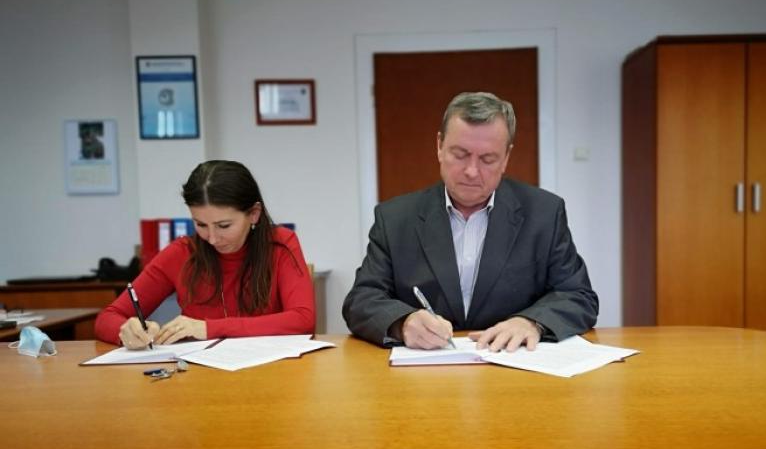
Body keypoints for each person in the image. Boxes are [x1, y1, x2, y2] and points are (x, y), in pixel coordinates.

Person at [342, 91, 598, 352]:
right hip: (426, 367)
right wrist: (402, 323)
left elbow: (579, 296)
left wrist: (532, 322)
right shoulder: (395, 218)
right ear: (439, 146)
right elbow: (361, 300)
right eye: (460, 154)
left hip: (512, 364)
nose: (472, 171)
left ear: (506, 158)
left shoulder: (544, 214)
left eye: (487, 159)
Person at [95, 160, 315, 348]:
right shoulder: (181, 253)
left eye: (224, 225)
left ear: (254, 214)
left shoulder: (280, 244)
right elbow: (107, 318)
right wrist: (127, 332)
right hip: (200, 376)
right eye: (200, 224)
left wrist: (209, 328)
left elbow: (303, 320)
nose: (211, 238)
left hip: (272, 373)